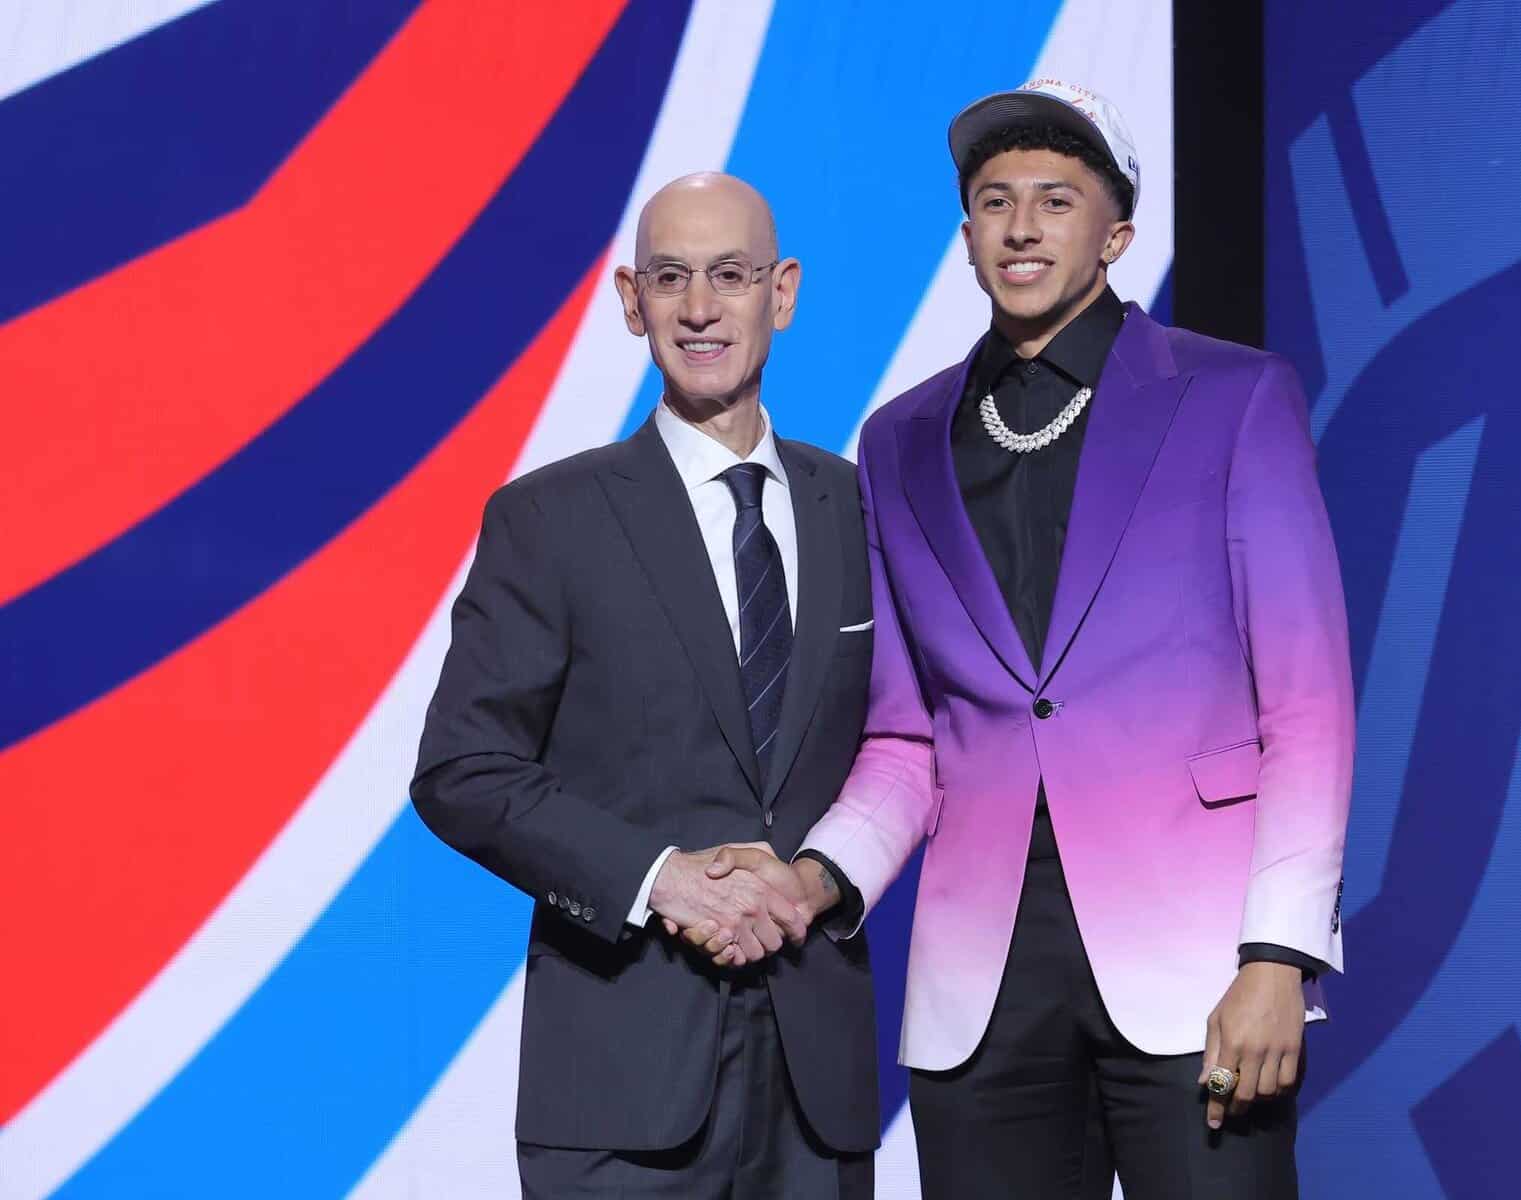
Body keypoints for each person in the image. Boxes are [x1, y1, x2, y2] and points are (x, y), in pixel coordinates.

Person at [699, 80, 1354, 1197]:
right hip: (983, 985)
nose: (1021, 226)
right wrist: (815, 879)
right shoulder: (900, 438)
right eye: (996, 202)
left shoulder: (1234, 396)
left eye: (1057, 199)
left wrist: (1280, 957)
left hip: (1199, 966)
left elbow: (1308, 704)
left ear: (1117, 234)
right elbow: (906, 738)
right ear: (966, 239)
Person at [411, 172, 877, 1199]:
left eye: (730, 275)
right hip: (621, 1080)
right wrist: (657, 877)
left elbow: (908, 747)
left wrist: (818, 880)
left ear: (782, 293)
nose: (700, 308)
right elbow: (461, 770)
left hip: (818, 1083)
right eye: (671, 278)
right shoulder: (550, 519)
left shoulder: (860, 509)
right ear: (632, 301)